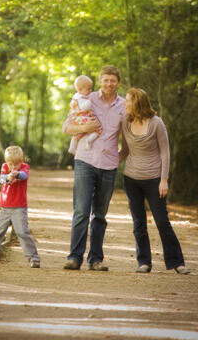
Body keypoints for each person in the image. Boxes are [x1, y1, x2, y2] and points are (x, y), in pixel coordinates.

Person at [119, 87, 190, 274]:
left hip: (154, 179)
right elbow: (125, 150)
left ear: (137, 103)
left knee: (162, 221)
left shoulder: (156, 123)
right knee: (138, 222)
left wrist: (164, 179)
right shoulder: (125, 122)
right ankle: (144, 262)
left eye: (128, 100)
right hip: (131, 179)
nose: (124, 103)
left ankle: (177, 263)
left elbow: (165, 152)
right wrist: (107, 162)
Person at [62, 65, 125, 271]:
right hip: (85, 161)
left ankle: (95, 260)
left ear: (118, 83)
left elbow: (129, 136)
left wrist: (119, 157)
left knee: (100, 214)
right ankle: (74, 257)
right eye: (105, 80)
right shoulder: (86, 98)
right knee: (81, 211)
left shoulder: (123, 105)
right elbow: (66, 127)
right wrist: (85, 128)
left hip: (109, 165)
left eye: (113, 80)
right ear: (100, 81)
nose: (109, 84)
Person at [0, 145, 40, 268]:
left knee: (23, 232)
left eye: (16, 164)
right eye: (10, 164)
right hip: (4, 208)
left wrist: (17, 174)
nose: (12, 167)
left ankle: (33, 258)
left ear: (21, 161)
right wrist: (8, 177)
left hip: (19, 208)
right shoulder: (5, 167)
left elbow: (24, 176)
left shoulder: (24, 168)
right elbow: (2, 178)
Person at [68, 75, 102, 155]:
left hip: (76, 119)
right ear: (80, 89)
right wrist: (89, 101)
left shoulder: (75, 96)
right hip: (83, 118)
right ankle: (89, 141)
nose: (90, 90)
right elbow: (84, 108)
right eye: (88, 89)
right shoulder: (82, 98)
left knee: (77, 134)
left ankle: (72, 148)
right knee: (98, 130)